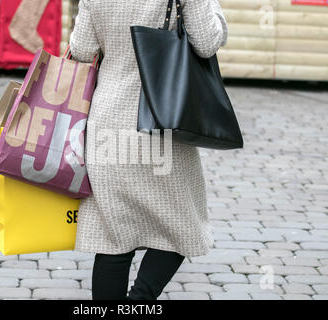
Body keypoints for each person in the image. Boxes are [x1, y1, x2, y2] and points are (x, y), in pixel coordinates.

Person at [69, 0, 228, 300]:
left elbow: (82, 50)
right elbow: (206, 43)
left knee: (112, 240)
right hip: (161, 125)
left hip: (107, 125)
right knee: (184, 225)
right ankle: (140, 300)